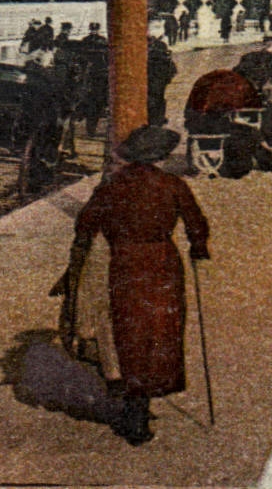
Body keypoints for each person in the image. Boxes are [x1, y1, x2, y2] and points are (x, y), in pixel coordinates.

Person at [65, 125, 209, 445]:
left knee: (127, 330)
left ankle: (133, 406)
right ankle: (145, 402)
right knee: (160, 330)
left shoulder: (111, 186)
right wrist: (198, 247)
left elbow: (85, 223)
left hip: (124, 263)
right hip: (162, 263)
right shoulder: (173, 185)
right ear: (162, 155)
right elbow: (196, 223)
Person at [146, 35, 177, 127]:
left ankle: (154, 120)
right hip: (160, 78)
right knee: (159, 98)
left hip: (154, 78)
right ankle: (158, 119)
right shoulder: (161, 48)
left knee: (154, 99)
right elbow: (172, 69)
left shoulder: (153, 52)